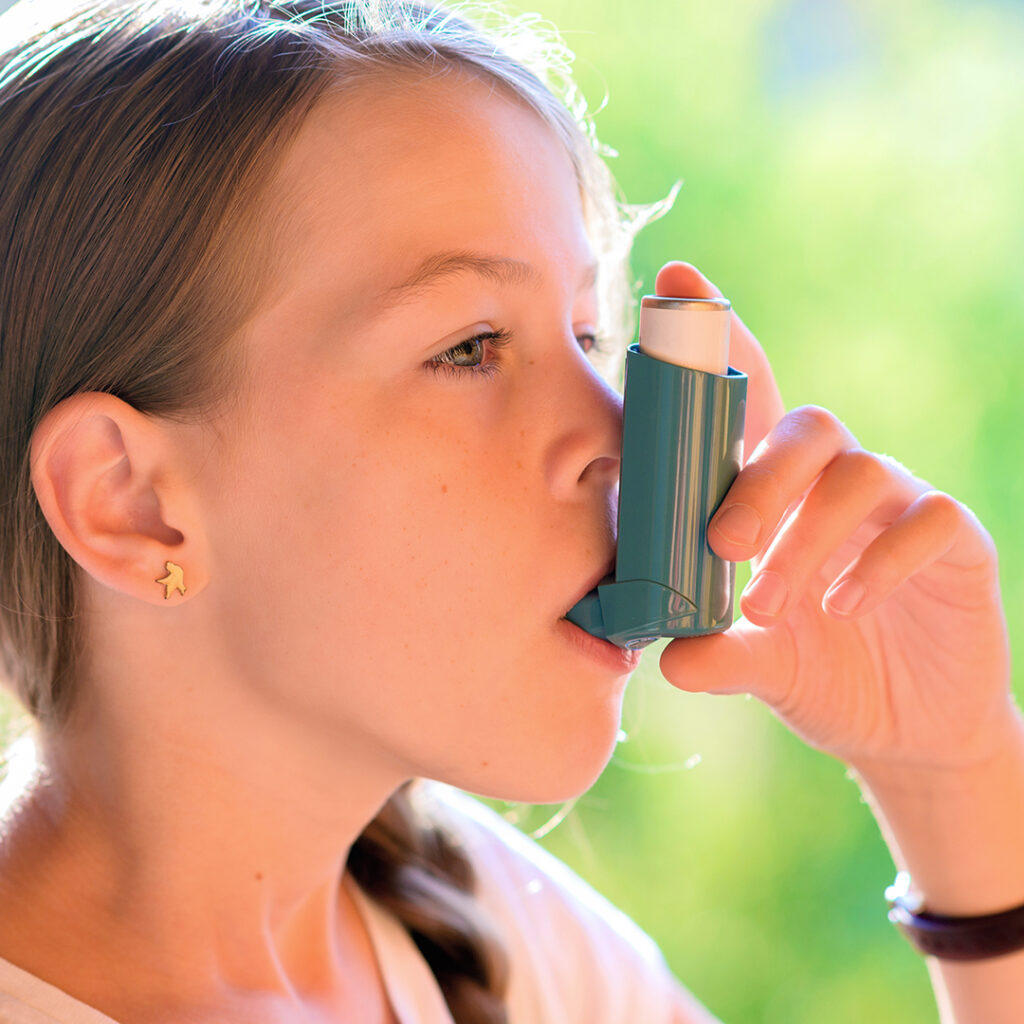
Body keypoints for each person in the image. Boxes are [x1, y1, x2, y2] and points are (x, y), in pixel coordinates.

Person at [0, 1, 1019, 1022]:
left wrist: (950, 774)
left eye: (586, 332)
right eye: (469, 346)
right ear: (130, 502)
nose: (622, 434)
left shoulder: (504, 939)